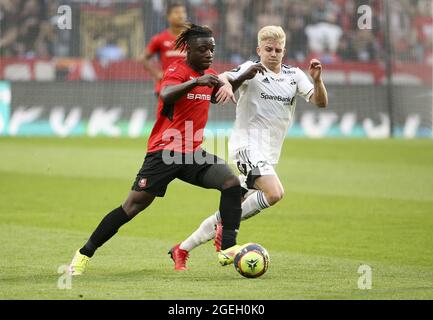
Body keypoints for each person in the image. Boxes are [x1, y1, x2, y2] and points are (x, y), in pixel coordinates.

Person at [68, 24, 246, 275]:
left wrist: (237, 81)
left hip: (192, 153)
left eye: (212, 49)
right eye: (203, 49)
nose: (209, 54)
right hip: (164, 152)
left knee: (231, 184)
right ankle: (83, 254)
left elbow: (217, 96)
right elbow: (166, 94)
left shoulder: (210, 75)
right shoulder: (177, 70)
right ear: (188, 51)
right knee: (132, 207)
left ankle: (227, 247)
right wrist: (197, 81)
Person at [171, 25, 328, 270]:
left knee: (231, 208)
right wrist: (224, 84)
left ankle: (181, 249)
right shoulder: (251, 69)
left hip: (269, 154)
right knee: (274, 193)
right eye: (268, 49)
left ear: (284, 51)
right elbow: (224, 76)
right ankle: (227, 230)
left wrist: (317, 81)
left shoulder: (294, 75)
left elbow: (320, 102)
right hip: (246, 147)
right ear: (259, 50)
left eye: (278, 50)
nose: (273, 54)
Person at [140, 2, 188, 96]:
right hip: (167, 84)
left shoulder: (192, 38)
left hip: (186, 84)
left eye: (183, 12)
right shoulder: (160, 38)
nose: (181, 15)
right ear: (168, 16)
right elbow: (143, 58)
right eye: (177, 12)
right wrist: (157, 74)